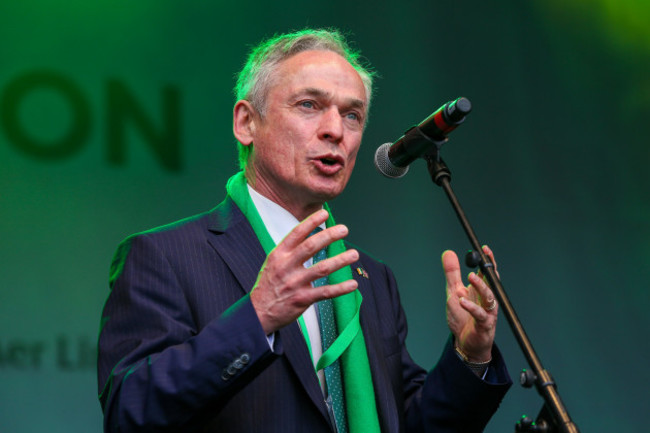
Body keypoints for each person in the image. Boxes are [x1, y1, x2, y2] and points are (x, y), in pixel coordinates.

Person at [97, 28, 511, 433]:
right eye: (310, 105)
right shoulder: (165, 256)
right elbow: (131, 410)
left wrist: (470, 354)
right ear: (246, 123)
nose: (336, 130)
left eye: (352, 115)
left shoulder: (370, 277)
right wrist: (257, 317)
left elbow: (409, 422)